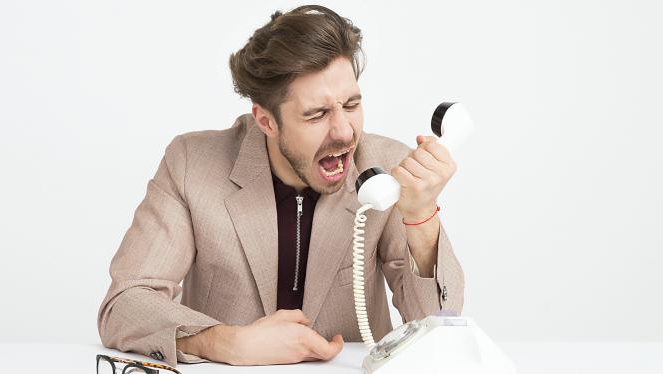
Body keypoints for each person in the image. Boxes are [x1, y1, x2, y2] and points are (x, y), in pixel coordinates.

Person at [97, 4, 464, 367]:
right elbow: (124, 304)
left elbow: (439, 326)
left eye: (351, 104)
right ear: (266, 121)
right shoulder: (191, 162)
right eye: (317, 114)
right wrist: (224, 342)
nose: (345, 131)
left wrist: (421, 217)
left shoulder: (385, 166)